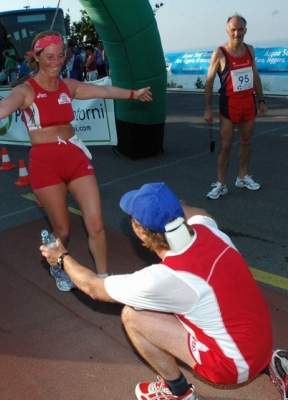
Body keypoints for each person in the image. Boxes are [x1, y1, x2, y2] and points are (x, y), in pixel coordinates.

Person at [0, 30, 152, 292]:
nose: (55, 61)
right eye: (49, 56)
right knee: (62, 230)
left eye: (60, 56)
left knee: (96, 224)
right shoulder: (26, 90)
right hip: (45, 165)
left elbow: (105, 89)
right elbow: (0, 108)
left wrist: (134, 93)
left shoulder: (69, 86)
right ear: (37, 58)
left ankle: (102, 279)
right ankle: (56, 263)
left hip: (75, 157)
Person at [39, 181, 287, 400]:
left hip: (233, 367)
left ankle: (177, 392)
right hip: (263, 342)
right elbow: (198, 212)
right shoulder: (208, 228)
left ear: (140, 230)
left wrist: (61, 258)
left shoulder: (163, 278)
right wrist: (170, 207)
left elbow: (93, 288)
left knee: (132, 315)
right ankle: (271, 364)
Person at [204, 14, 267, 200]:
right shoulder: (220, 53)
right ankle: (221, 184)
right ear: (227, 30)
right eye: (233, 29)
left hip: (248, 102)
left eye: (240, 29)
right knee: (225, 146)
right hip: (229, 105)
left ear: (245, 31)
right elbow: (208, 82)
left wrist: (261, 100)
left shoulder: (250, 50)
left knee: (246, 142)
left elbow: (254, 76)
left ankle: (242, 177)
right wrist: (208, 108)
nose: (236, 33)